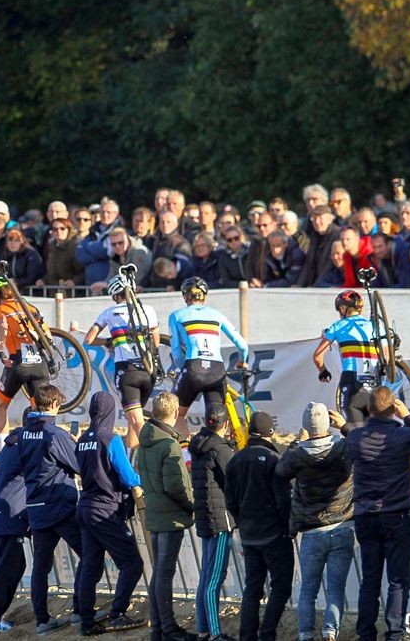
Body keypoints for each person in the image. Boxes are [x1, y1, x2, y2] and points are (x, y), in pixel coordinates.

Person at [344, 387, 410, 641]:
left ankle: (365, 634)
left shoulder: (356, 437)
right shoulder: (404, 435)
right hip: (395, 513)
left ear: (369, 409)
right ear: (393, 408)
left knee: (370, 581)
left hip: (364, 516)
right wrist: (408, 416)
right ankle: (395, 633)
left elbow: (350, 441)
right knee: (397, 580)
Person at [275, 403, 355, 641]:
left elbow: (280, 471)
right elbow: (360, 443)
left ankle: (305, 634)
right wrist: (346, 427)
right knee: (335, 590)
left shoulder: (298, 455)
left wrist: (294, 443)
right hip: (342, 527)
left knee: (308, 589)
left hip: (312, 532)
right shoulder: (343, 449)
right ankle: (330, 631)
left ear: (306, 427)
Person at [10, 384, 83, 634]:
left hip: (36, 507)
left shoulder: (23, 433)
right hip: (60, 505)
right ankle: (79, 609)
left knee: (41, 566)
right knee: (89, 554)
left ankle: (42, 619)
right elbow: (79, 464)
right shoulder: (55, 434)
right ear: (53, 405)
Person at [74, 392, 145, 635]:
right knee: (132, 563)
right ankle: (117, 613)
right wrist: (141, 479)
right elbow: (127, 477)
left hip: (85, 506)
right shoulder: (110, 439)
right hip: (105, 509)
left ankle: (86, 620)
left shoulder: (82, 439)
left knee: (90, 566)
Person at [224, 411, 292, 641]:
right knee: (281, 587)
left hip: (250, 536)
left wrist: (242, 524)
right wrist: (287, 526)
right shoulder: (273, 460)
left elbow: (230, 501)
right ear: (270, 433)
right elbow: (283, 499)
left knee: (252, 588)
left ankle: (247, 636)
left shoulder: (235, 460)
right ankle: (267, 633)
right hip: (274, 535)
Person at [137, 390, 194, 641]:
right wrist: (193, 505)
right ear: (173, 413)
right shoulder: (169, 444)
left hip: (155, 513)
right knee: (164, 572)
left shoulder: (146, 440)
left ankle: (158, 628)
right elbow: (176, 486)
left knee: (159, 571)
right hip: (170, 516)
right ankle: (167, 628)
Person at [84, 272, 159, 450]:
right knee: (134, 417)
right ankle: (131, 457)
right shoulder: (148, 309)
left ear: (115, 295)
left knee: (136, 420)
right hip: (148, 370)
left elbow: (89, 340)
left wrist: (109, 341)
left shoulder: (109, 312)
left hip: (127, 371)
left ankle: (153, 453)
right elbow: (155, 341)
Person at [167, 277, 249, 434]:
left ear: (185, 296)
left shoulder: (176, 315)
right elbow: (243, 345)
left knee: (176, 416)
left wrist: (184, 369)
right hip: (216, 370)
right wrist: (242, 361)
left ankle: (186, 456)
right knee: (216, 419)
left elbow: (177, 353)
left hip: (194, 367)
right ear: (205, 296)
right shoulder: (216, 314)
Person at [0, 406, 31, 636]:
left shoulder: (12, 443)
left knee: (14, 565)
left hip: (2, 513)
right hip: (10, 515)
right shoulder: (23, 444)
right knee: (7, 567)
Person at [0, 274, 50, 453]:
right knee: (40, 409)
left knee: (1, 405)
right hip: (40, 363)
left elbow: (2, 325)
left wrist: (0, 349)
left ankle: (4, 451)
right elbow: (46, 333)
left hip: (18, 362)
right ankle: (41, 448)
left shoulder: (0, 310)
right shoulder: (28, 306)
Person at [187, 403, 234, 641]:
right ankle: (214, 633)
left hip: (206, 517)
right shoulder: (220, 449)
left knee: (206, 577)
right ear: (225, 423)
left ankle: (203, 629)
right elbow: (233, 482)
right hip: (220, 521)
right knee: (214, 578)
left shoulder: (198, 445)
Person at [311, 289, 382, 428]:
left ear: (343, 308)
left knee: (354, 431)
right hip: (375, 382)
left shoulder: (338, 326)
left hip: (352, 380)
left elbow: (318, 356)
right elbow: (386, 356)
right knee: (375, 431)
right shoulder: (375, 326)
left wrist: (323, 371)